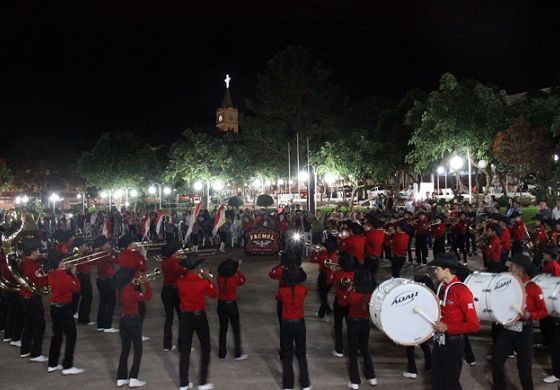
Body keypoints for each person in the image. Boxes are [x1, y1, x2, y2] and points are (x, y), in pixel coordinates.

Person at [492, 254, 548, 390]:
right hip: (508, 329)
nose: (509, 269)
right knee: (496, 362)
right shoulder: (507, 284)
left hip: (524, 331)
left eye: (511, 267)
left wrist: (530, 315)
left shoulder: (533, 287)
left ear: (520, 269)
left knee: (524, 368)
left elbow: (544, 310)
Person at [428, 253, 480, 390]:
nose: (435, 271)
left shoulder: (462, 292)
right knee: (437, 379)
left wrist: (448, 327)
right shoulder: (441, 287)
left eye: (437, 268)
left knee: (451, 383)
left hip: (453, 344)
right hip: (439, 342)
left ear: (447, 270)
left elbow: (474, 325)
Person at [177, 253, 217, 390]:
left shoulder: (180, 282)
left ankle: (183, 383)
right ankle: (202, 382)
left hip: (186, 317)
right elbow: (214, 294)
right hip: (199, 316)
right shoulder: (202, 282)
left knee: (185, 351)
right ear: (197, 267)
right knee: (205, 348)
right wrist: (208, 277)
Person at [113, 266, 152, 388]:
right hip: (133, 321)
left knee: (125, 349)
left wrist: (135, 283)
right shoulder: (132, 293)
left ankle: (121, 377)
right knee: (138, 349)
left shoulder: (120, 290)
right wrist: (146, 283)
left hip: (123, 321)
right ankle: (133, 377)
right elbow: (148, 296)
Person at [46, 251, 84, 374]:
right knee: (71, 335)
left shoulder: (51, 274)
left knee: (57, 335)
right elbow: (77, 288)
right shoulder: (64, 276)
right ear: (60, 263)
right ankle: (67, 366)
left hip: (54, 308)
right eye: (64, 261)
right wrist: (74, 274)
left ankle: (52, 364)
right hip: (64, 309)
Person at [340, 269, 377, 389]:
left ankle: (355, 381)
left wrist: (348, 290)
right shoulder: (371, 295)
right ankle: (372, 377)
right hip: (365, 323)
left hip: (353, 323)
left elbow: (342, 302)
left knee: (353, 351)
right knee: (365, 349)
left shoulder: (352, 294)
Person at [278, 265, 311, 390]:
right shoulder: (303, 290)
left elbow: (279, 298)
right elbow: (304, 294)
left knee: (287, 356)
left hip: (286, 324)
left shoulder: (282, 291)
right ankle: (305, 383)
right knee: (301, 354)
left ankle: (287, 385)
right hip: (299, 323)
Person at [19, 238, 49, 362]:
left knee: (28, 325)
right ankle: (36, 353)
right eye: (37, 250)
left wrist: (42, 259)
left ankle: (25, 350)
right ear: (32, 252)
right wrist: (50, 273)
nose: (39, 252)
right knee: (39, 325)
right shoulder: (33, 266)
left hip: (24, 297)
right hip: (33, 298)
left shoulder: (23, 262)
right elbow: (42, 282)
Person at [159, 240, 188, 352]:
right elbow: (181, 272)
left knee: (169, 319)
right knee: (182, 319)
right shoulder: (174, 261)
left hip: (166, 290)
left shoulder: (164, 261)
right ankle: (182, 346)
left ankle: (167, 345)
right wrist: (185, 263)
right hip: (175, 291)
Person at [216, 258, 247, 360]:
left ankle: (222, 353)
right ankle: (238, 353)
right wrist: (237, 270)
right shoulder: (234, 279)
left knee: (223, 329)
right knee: (236, 329)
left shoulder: (219, 278)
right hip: (231, 305)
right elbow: (243, 279)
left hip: (221, 304)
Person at [326, 253, 355, 358]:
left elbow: (328, 282)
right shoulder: (355, 274)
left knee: (338, 326)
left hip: (339, 302)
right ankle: (353, 349)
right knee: (351, 326)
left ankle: (339, 349)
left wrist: (331, 271)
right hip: (351, 303)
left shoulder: (338, 273)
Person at [541, 246, 560, 384]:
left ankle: (557, 373)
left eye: (545, 254)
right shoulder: (549, 265)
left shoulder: (554, 266)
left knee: (556, 345)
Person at [93, 236, 119, 333]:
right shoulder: (105, 254)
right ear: (103, 244)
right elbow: (117, 260)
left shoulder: (99, 252)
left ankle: (100, 325)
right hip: (107, 281)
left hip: (101, 280)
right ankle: (107, 325)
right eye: (108, 244)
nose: (109, 245)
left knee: (103, 303)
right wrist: (113, 252)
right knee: (110, 302)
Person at [309, 237, 337, 318]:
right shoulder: (333, 255)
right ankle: (325, 311)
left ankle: (326, 311)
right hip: (331, 277)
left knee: (322, 296)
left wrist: (315, 251)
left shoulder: (323, 256)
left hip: (324, 277)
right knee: (323, 295)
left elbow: (312, 260)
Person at [71, 238, 95, 325]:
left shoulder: (85, 253)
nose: (87, 246)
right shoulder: (79, 254)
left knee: (85, 297)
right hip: (83, 276)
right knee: (87, 297)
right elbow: (80, 266)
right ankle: (84, 318)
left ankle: (82, 317)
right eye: (85, 245)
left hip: (83, 276)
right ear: (80, 246)